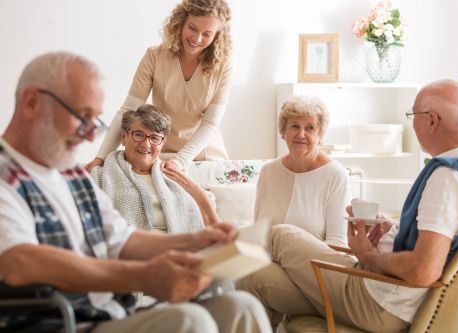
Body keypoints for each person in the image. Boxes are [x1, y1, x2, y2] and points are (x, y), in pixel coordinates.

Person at [0, 51, 272, 333]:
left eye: (95, 121)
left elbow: (123, 239)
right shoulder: (5, 175)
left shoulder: (71, 175)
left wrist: (197, 240)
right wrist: (142, 277)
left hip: (112, 312)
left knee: (240, 307)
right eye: (82, 117)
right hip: (62, 321)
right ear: (32, 102)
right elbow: (20, 261)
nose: (91, 136)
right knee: (190, 321)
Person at [237, 79, 458, 332]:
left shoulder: (447, 179)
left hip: (378, 301)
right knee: (255, 277)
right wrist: (392, 228)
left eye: (413, 115)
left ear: (431, 120)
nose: (412, 124)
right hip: (382, 296)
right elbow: (432, 243)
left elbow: (423, 270)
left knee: (280, 234)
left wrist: (369, 257)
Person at [85, 0, 232, 172]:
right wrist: (101, 157)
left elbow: (210, 123)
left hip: (204, 154)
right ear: (181, 22)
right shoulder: (154, 56)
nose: (197, 38)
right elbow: (128, 109)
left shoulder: (222, 66)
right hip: (161, 150)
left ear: (217, 35)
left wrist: (181, 161)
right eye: (192, 28)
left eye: (207, 34)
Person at [91, 104, 221, 233]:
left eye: (154, 138)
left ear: (163, 143)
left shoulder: (175, 178)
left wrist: (197, 190)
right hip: (130, 250)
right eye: (138, 135)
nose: (146, 144)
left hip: (180, 248)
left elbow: (215, 226)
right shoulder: (101, 176)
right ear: (124, 137)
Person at [255, 95, 351, 246]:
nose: (301, 134)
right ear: (283, 132)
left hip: (313, 266)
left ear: (320, 135)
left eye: (309, 127)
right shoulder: (268, 171)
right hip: (269, 262)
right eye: (294, 126)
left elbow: (337, 243)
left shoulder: (335, 175)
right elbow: (258, 233)